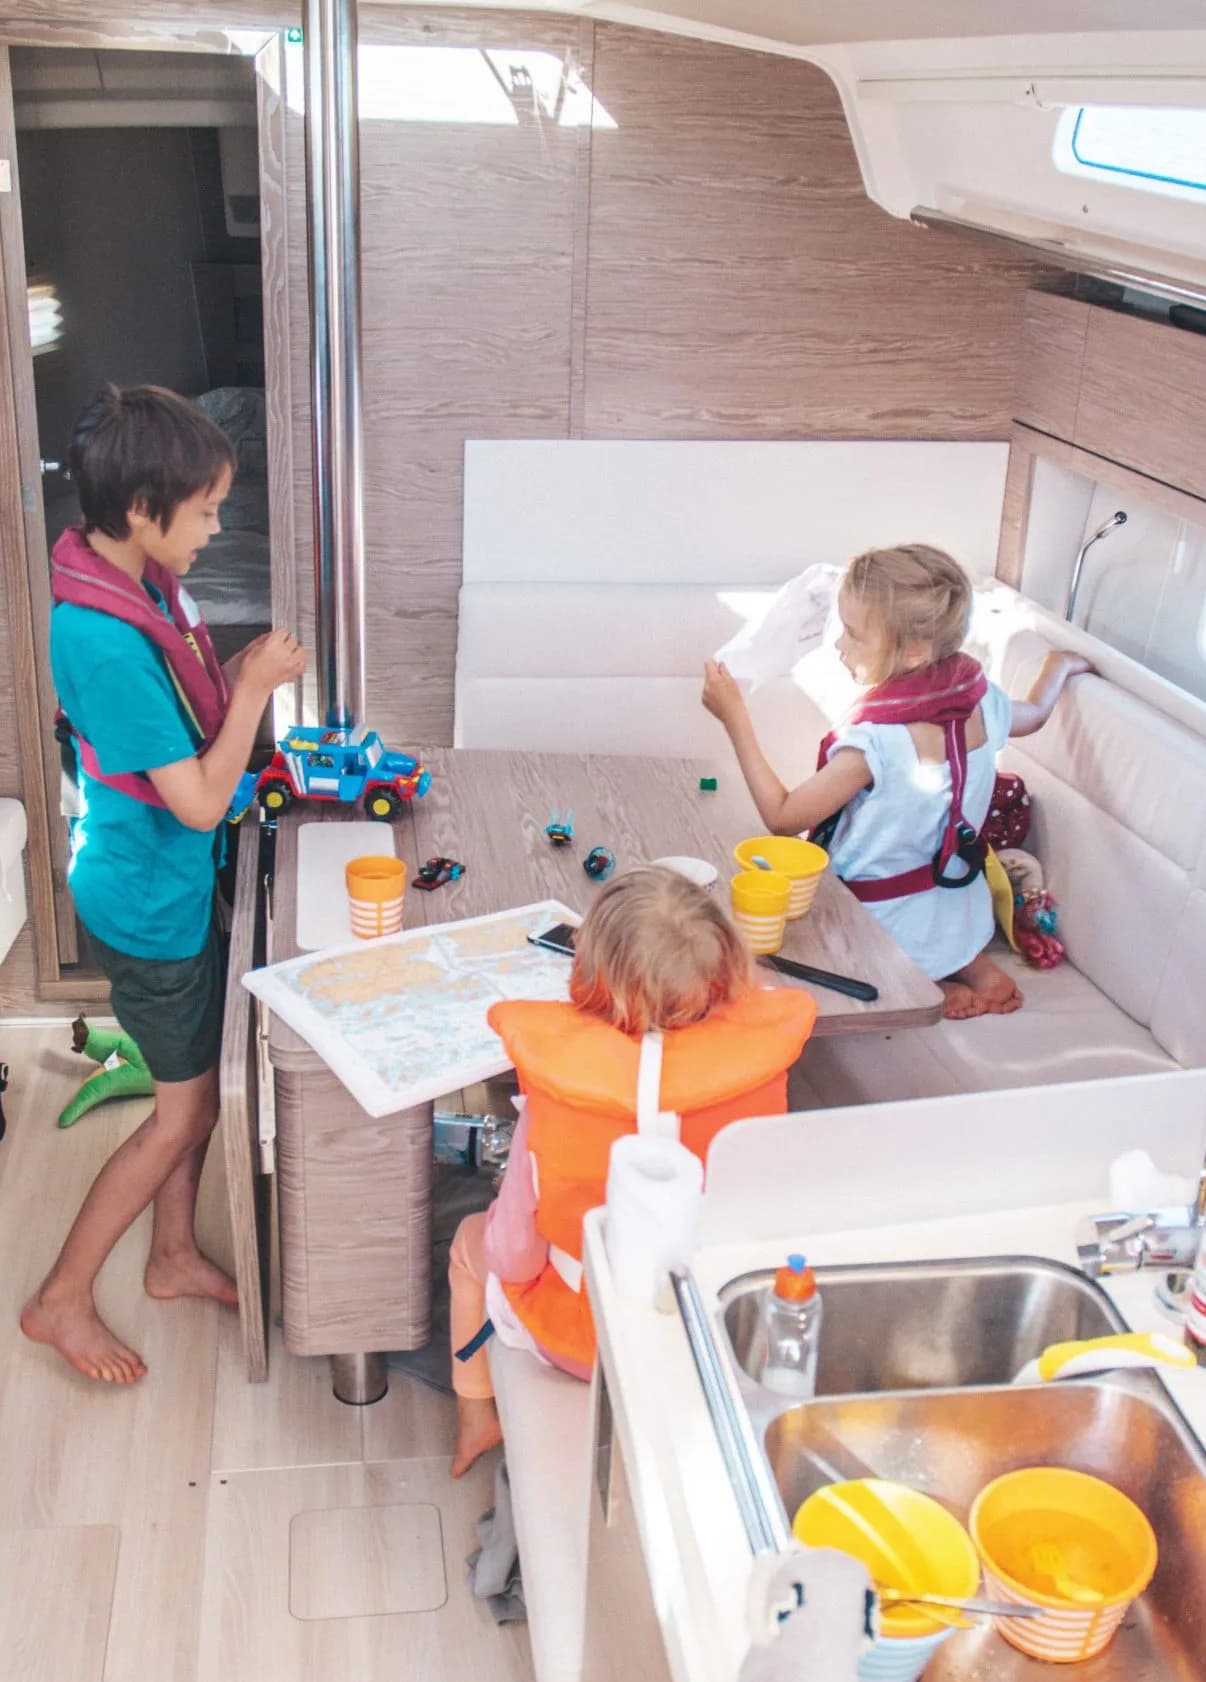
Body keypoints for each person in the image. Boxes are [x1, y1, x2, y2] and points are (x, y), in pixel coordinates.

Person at [21, 384, 307, 1384]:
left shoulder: (140, 582)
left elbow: (185, 730)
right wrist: (256, 694)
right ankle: (59, 1298)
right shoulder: (98, 637)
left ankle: (174, 1257)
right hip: (148, 906)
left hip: (167, 888)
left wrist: (232, 678)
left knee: (201, 1094)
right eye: (206, 510)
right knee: (183, 1112)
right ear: (144, 509)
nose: (218, 526)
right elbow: (193, 800)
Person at [447, 868, 817, 1476]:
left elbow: (512, 1256)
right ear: (729, 974)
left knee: (469, 1251)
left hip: (586, 1346)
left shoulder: (560, 1093)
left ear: (589, 977)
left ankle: (475, 1418)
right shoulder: (758, 1072)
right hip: (713, 1340)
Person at [701, 544, 1091, 1020]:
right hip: (958, 908)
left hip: (877, 924)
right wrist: (1058, 669)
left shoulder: (875, 746)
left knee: (753, 950)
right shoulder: (982, 700)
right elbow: (1034, 715)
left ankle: (921, 986)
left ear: (913, 652)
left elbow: (783, 819)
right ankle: (968, 964)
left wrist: (735, 718)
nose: (839, 645)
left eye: (853, 634)